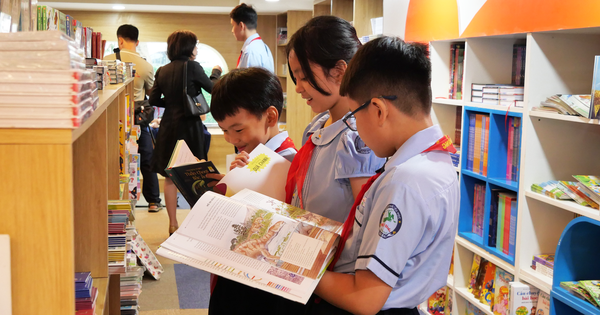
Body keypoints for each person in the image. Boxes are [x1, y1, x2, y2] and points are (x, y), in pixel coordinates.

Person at [307, 37, 459, 315]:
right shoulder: (436, 159)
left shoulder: (405, 181)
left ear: (378, 110)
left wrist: (295, 269)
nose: (355, 127)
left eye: (354, 115)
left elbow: (364, 299)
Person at [206, 67, 297, 314]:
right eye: (224, 130)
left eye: (237, 130)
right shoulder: (253, 157)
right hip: (237, 272)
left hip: (258, 282)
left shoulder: (287, 162)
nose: (231, 139)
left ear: (269, 117)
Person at [285, 16, 385, 223]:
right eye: (296, 79)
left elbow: (364, 221)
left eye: (304, 77)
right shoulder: (317, 125)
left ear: (339, 72)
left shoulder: (359, 136)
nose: (298, 88)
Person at [149, 30, 222, 235]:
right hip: (190, 127)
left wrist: (172, 103)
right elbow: (213, 88)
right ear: (188, 47)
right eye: (195, 45)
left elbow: (154, 99)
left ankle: (173, 224)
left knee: (171, 176)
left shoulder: (162, 70)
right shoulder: (193, 67)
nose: (197, 49)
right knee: (195, 174)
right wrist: (216, 73)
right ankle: (195, 224)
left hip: (168, 127)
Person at [104, 24, 163, 212]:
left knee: (115, 158)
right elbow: (150, 94)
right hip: (137, 118)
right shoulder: (146, 66)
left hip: (113, 116)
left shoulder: (106, 61)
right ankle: (153, 201)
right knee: (146, 158)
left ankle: (115, 198)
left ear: (120, 40)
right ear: (137, 42)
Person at [230, 3, 274, 73]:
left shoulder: (251, 51)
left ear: (241, 26)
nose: (232, 30)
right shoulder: (263, 46)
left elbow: (250, 83)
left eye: (233, 25)